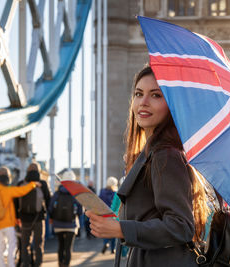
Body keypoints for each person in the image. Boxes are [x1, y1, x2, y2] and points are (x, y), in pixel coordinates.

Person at [86, 65, 210, 266]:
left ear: (171, 105)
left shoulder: (166, 155)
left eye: (156, 95)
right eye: (138, 94)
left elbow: (181, 226)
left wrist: (120, 229)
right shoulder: (151, 154)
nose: (143, 103)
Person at [0, 166, 41, 267]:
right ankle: (11, 264)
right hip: (8, 224)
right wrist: (33, 184)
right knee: (12, 245)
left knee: (0, 247)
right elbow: (21, 191)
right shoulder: (7, 190)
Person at [15, 163, 51, 267]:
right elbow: (48, 200)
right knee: (38, 244)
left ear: (27, 171)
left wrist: (17, 216)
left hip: (24, 219)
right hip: (38, 218)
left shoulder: (21, 183)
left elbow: (16, 202)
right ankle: (38, 264)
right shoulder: (42, 183)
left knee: (25, 244)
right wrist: (50, 216)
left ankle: (26, 264)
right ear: (39, 171)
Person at [48, 170, 82, 267]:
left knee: (61, 246)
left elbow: (50, 207)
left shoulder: (57, 193)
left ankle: (60, 263)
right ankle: (66, 265)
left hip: (58, 224)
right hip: (71, 224)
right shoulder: (75, 194)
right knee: (68, 247)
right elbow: (80, 211)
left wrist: (51, 218)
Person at [98, 176, 118, 254]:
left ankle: (105, 243)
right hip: (112, 214)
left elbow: (99, 202)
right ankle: (113, 249)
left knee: (104, 230)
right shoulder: (115, 193)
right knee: (112, 231)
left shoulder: (102, 191)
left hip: (103, 213)